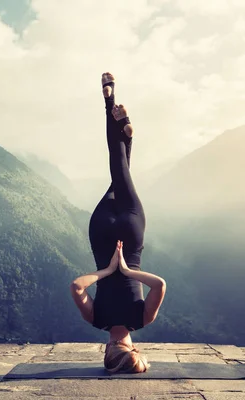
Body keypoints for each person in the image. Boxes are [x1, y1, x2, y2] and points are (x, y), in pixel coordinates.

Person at [70, 72, 167, 374]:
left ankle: (125, 130)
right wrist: (109, 270)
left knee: (120, 170)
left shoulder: (143, 318)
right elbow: (77, 287)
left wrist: (125, 270)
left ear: (134, 348)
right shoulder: (95, 318)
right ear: (109, 351)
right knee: (118, 168)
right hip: (101, 234)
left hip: (131, 232)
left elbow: (159, 285)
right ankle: (111, 107)